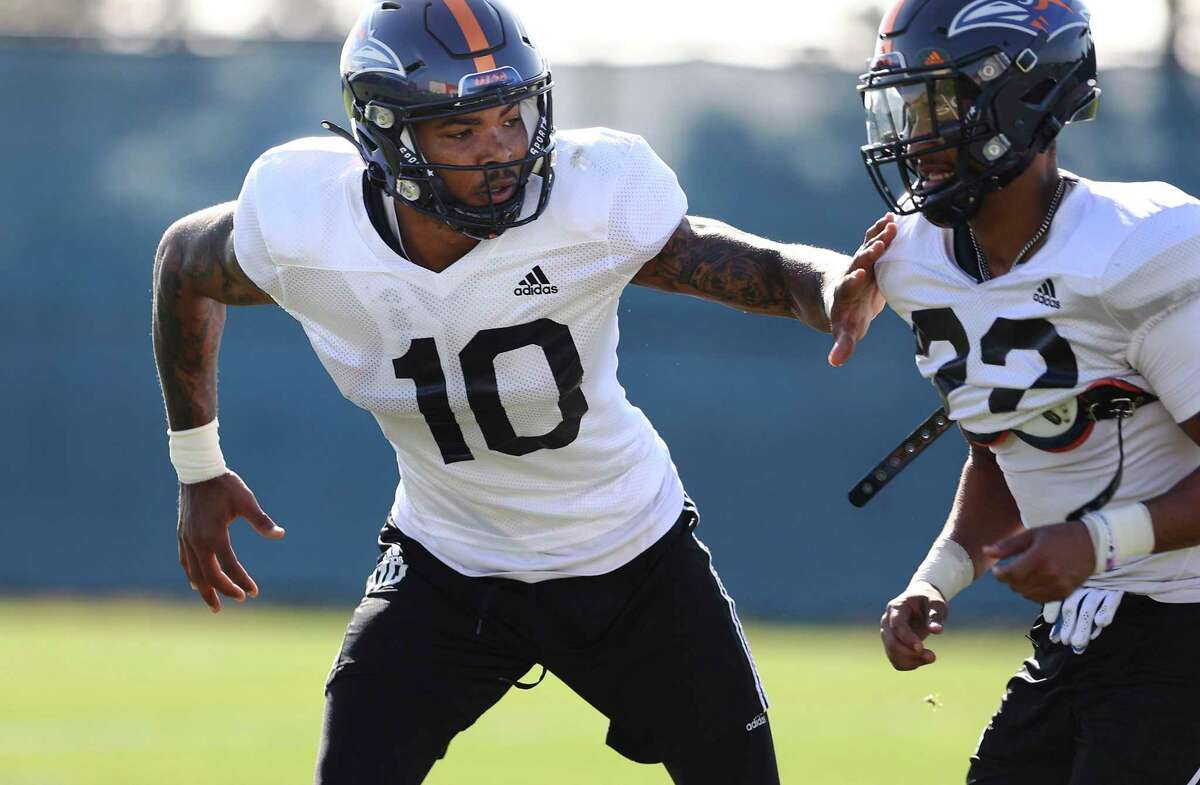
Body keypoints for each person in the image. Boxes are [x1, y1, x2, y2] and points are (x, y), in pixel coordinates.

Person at [152, 2, 890, 783]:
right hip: (447, 564)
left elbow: (761, 266)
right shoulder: (308, 223)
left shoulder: (587, 198)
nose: (501, 151)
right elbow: (183, 264)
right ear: (385, 137)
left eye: (511, 117)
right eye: (461, 131)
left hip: (631, 557)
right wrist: (198, 463)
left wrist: (832, 283)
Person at [858, 1, 1200, 782]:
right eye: (903, 104)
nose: (914, 134)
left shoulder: (1136, 249)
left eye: (937, 102)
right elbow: (1004, 453)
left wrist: (1098, 541)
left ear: (1022, 95)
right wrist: (934, 579)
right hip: (1084, 633)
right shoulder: (918, 263)